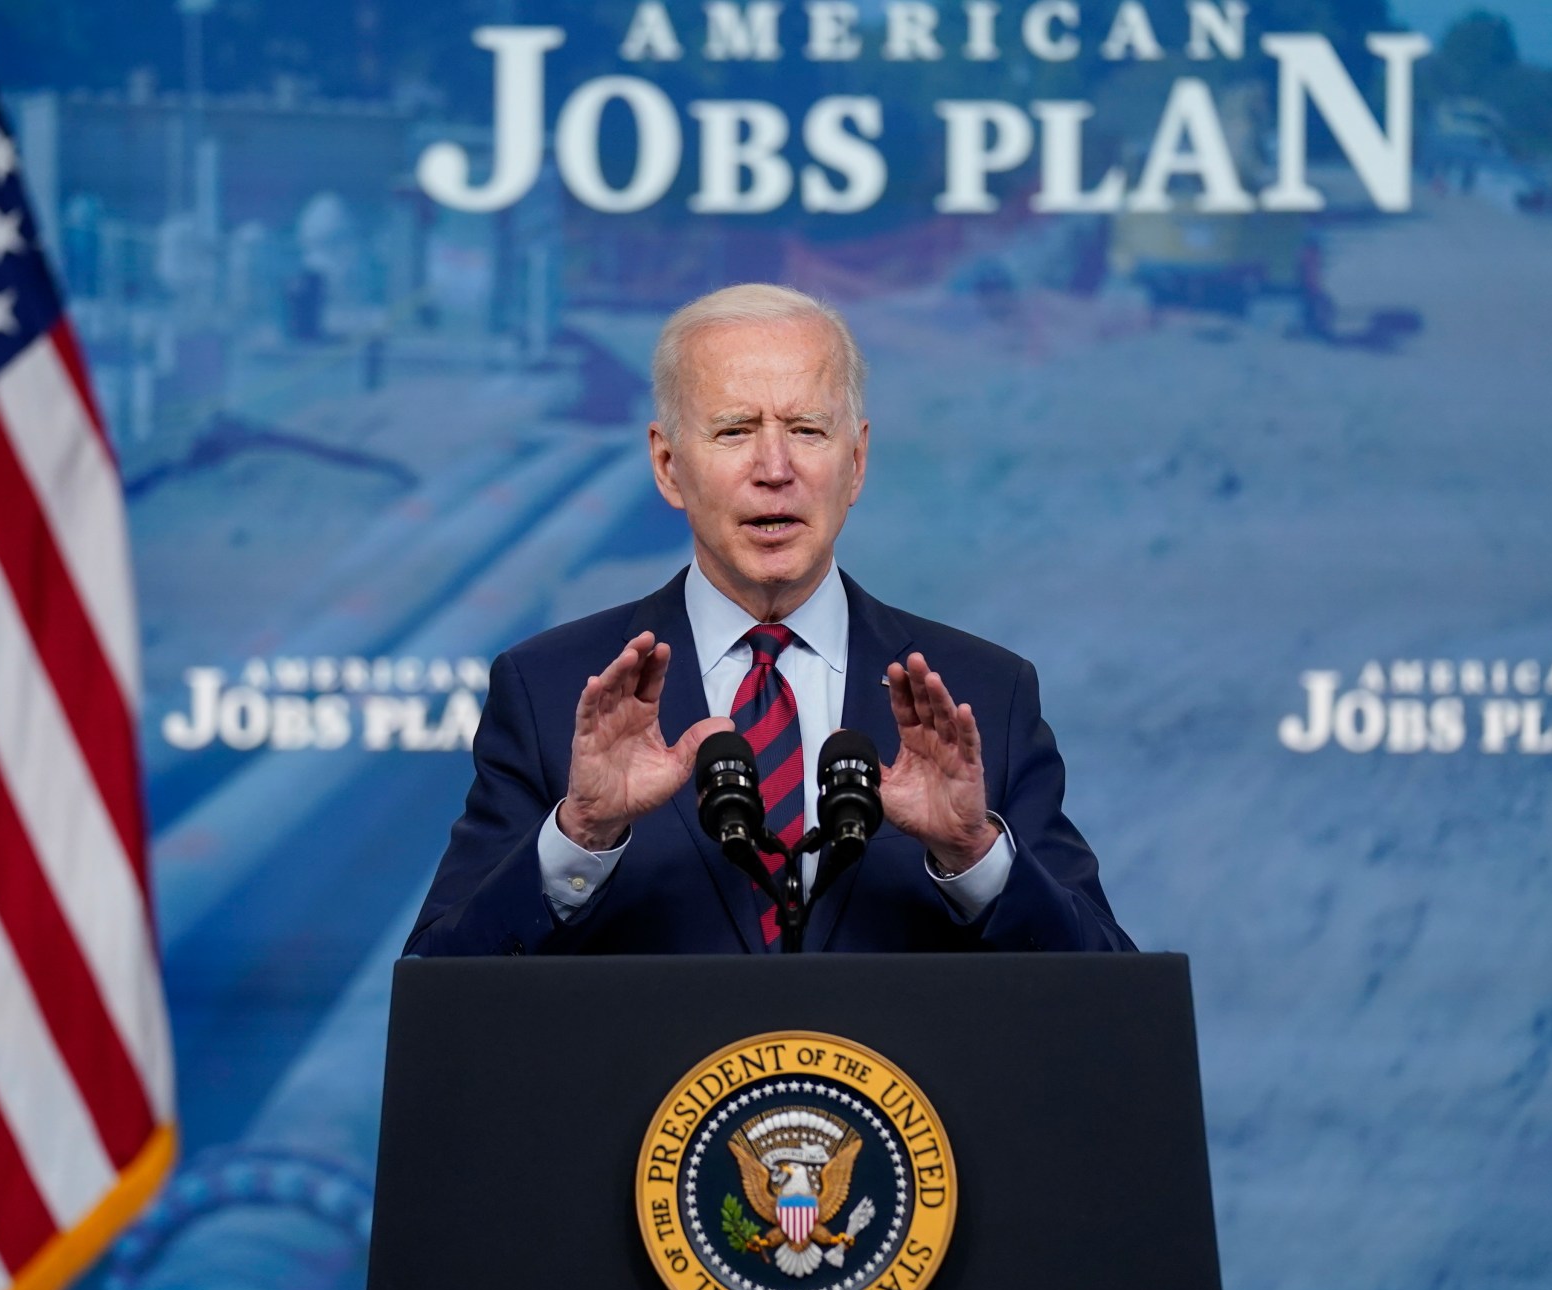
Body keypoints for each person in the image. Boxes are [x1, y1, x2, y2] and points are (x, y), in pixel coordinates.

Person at [408, 284, 1133, 956]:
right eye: (734, 431)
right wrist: (581, 836)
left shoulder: (985, 695)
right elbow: (442, 985)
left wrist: (976, 857)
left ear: (856, 462)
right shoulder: (550, 690)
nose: (775, 468)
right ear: (667, 465)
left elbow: (1108, 1000)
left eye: (808, 430)